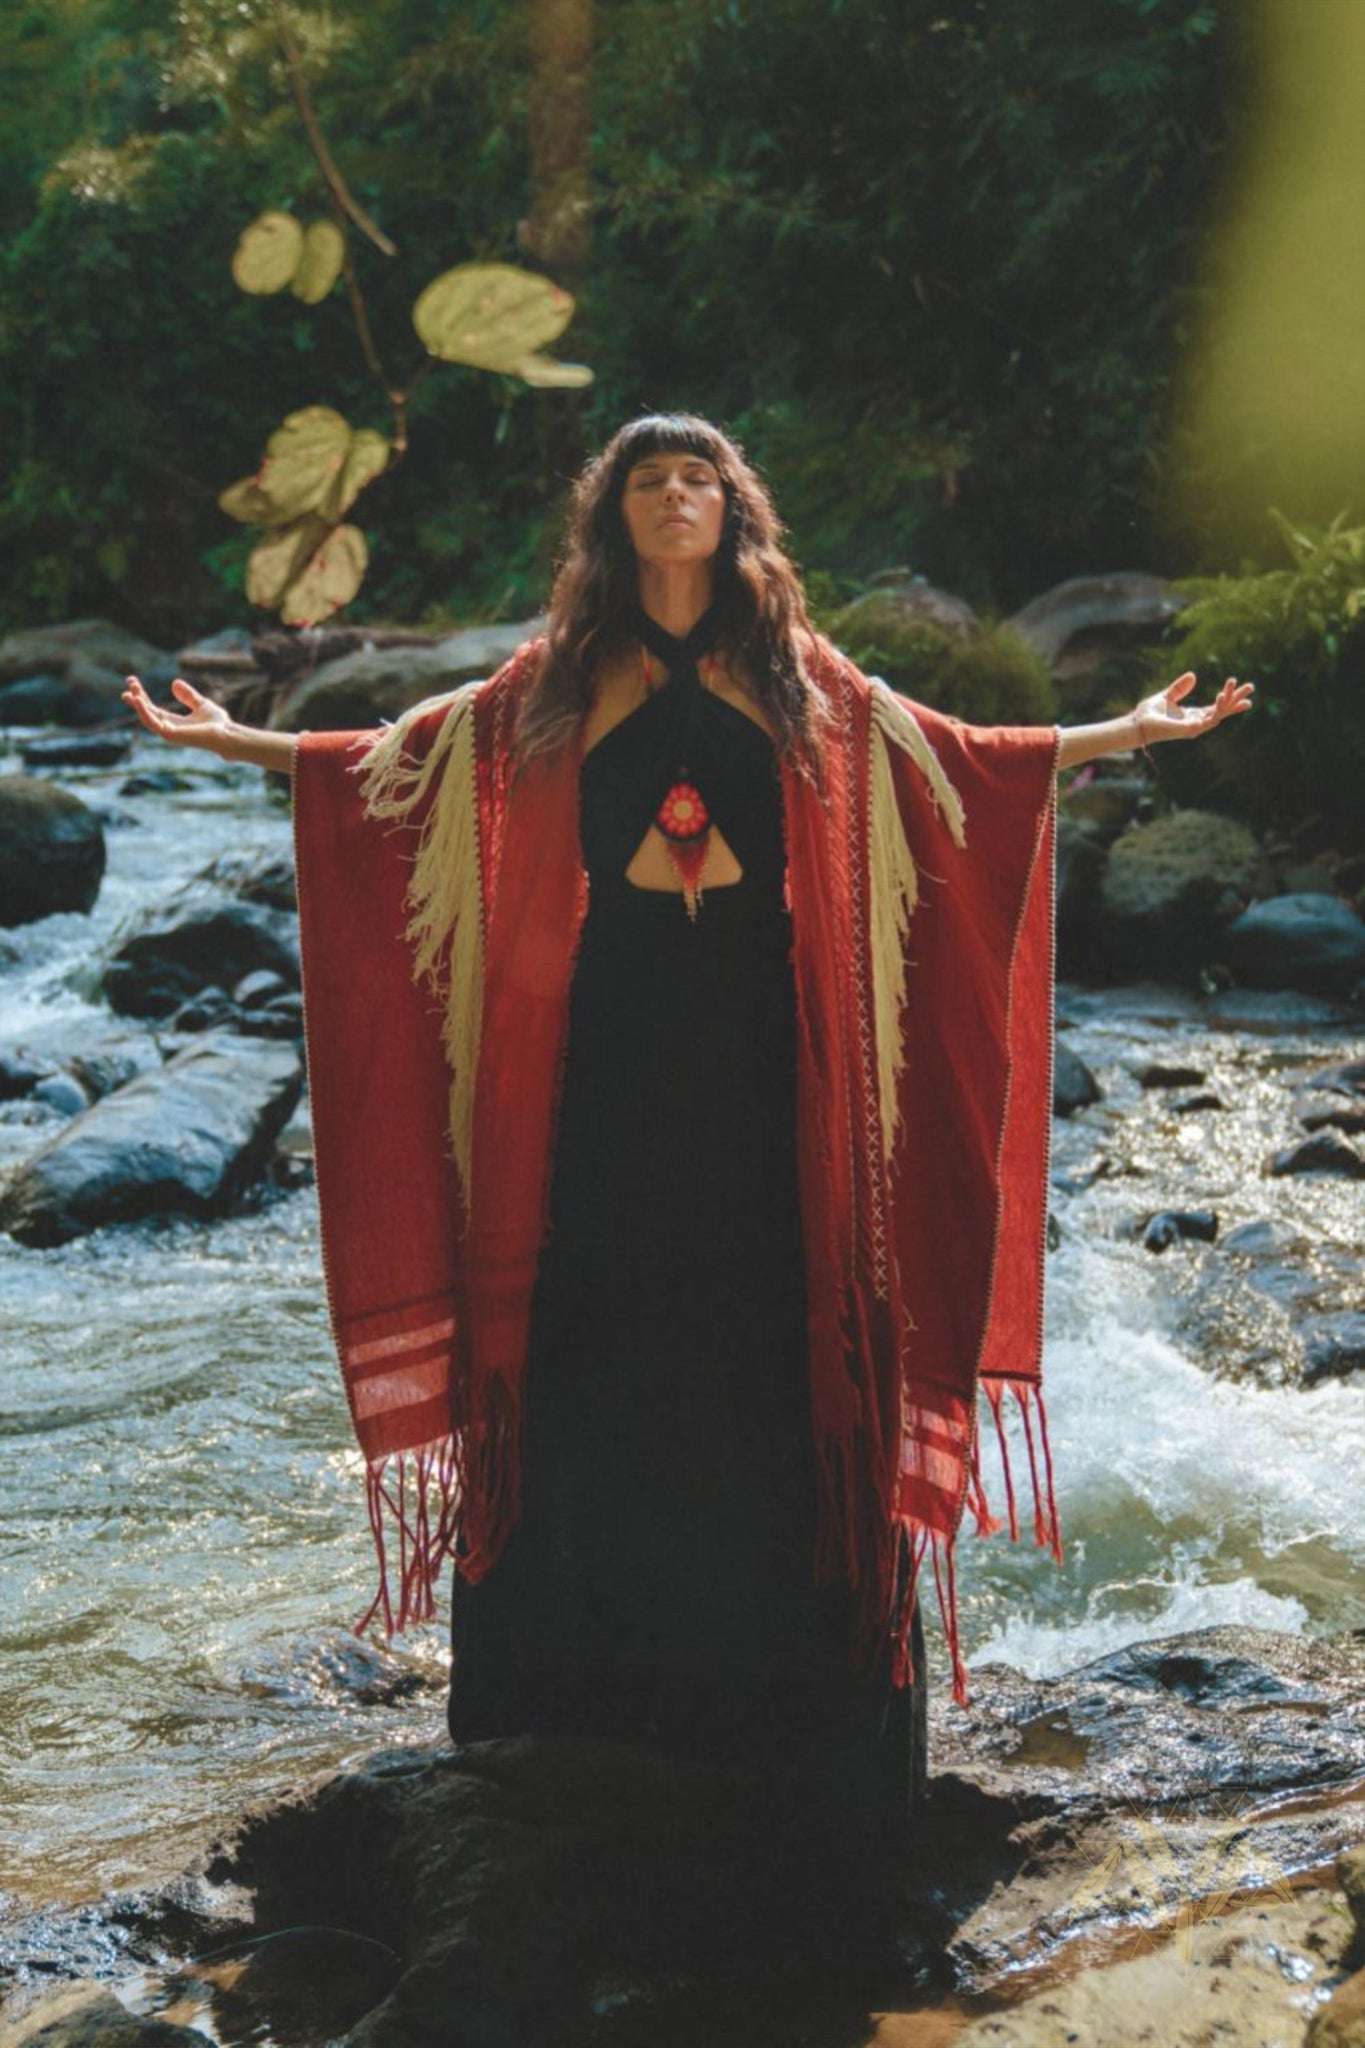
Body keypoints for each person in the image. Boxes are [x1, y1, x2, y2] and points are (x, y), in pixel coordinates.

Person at [123, 413, 1251, 1860]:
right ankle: (580, 1703)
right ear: (614, 518)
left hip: (765, 1061)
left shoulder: (791, 677)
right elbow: (392, 772)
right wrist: (238, 743)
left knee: (768, 1341)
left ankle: (781, 1709)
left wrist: (1124, 736)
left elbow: (955, 763)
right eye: (649, 480)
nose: (675, 498)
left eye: (698, 479)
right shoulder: (555, 682)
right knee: (595, 1337)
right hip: (600, 1057)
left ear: (733, 513)